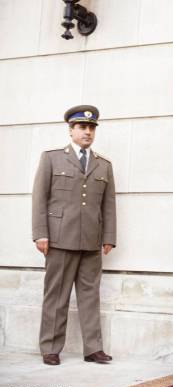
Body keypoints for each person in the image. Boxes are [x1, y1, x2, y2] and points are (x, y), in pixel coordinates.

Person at [32, 105, 116, 366]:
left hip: (91, 240)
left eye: (91, 128)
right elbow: (39, 199)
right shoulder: (52, 158)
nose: (87, 132)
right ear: (71, 131)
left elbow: (109, 204)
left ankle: (93, 348)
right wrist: (40, 234)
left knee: (90, 295)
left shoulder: (104, 164)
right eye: (82, 127)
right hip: (58, 239)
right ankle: (51, 347)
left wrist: (109, 237)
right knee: (56, 295)